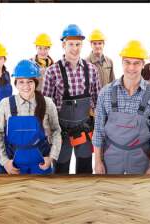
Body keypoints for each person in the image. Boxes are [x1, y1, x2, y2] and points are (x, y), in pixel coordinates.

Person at [92, 40, 150, 174]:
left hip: (141, 159)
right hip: (110, 158)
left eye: (136, 63)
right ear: (122, 62)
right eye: (127, 62)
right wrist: (97, 162)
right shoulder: (106, 92)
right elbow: (98, 131)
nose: (131, 68)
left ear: (143, 64)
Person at [42, 24, 100, 174]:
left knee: (85, 168)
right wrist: (49, 132)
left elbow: (98, 102)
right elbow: (46, 107)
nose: (75, 48)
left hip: (85, 130)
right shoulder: (52, 71)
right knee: (61, 170)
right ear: (63, 45)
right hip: (61, 132)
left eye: (78, 44)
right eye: (71, 44)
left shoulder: (92, 70)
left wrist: (100, 128)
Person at [0, 59, 62, 174]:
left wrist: (51, 157)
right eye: (21, 82)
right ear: (15, 83)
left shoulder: (47, 103)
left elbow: (56, 131)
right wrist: (5, 162)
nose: (26, 86)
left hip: (41, 164)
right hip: (14, 165)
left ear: (35, 83)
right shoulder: (5, 104)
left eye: (30, 81)